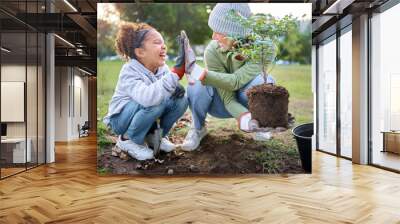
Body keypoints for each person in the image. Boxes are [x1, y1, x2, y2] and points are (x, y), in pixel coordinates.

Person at [180, 3, 276, 151]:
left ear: (236, 33)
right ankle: (198, 128)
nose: (213, 37)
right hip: (220, 104)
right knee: (197, 85)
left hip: (247, 99)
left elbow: (236, 81)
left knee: (263, 82)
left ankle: (260, 123)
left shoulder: (264, 47)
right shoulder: (212, 50)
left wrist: (204, 74)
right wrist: (242, 116)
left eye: (219, 32)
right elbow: (228, 98)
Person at [103, 22, 188, 160]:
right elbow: (148, 98)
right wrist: (176, 73)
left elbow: (165, 89)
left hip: (144, 111)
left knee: (181, 100)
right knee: (154, 101)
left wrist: (176, 87)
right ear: (140, 52)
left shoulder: (162, 68)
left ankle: (155, 137)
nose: (164, 46)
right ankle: (127, 140)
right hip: (121, 120)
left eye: (163, 42)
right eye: (157, 42)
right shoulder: (129, 71)